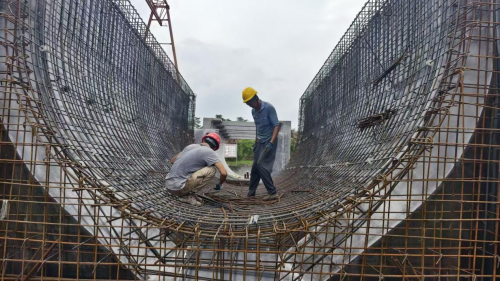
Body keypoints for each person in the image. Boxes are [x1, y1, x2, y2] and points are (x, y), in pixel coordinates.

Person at [165, 132, 227, 206]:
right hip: (179, 188)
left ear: (203, 141)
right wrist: (220, 184)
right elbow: (223, 173)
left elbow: (172, 161)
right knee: (212, 170)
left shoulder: (190, 147)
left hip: (169, 186)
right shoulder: (210, 152)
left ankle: (186, 191)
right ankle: (189, 194)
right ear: (214, 148)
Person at [242, 87, 280, 200]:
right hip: (260, 142)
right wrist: (256, 141)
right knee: (255, 167)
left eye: (249, 103)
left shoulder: (269, 108)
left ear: (255, 99)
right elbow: (257, 127)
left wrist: (271, 143)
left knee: (261, 165)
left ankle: (272, 193)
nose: (249, 105)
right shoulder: (253, 111)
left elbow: (276, 126)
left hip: (269, 142)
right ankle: (251, 193)